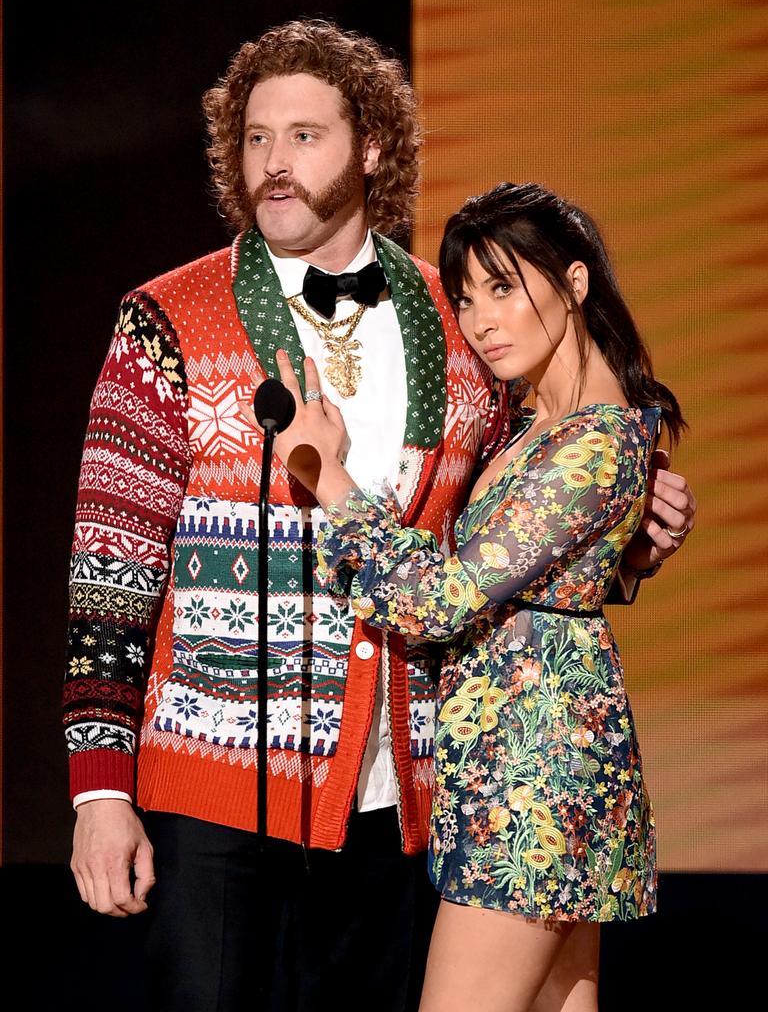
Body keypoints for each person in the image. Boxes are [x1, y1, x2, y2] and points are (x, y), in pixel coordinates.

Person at [64, 18, 695, 1012]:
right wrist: (99, 792)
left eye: (304, 136)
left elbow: (520, 525)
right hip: (216, 788)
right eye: (256, 138)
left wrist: (634, 528)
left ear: (371, 147)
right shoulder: (167, 318)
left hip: (406, 795)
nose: (273, 163)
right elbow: (110, 568)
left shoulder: (465, 323)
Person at [240, 181, 689, 1012]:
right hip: (521, 771)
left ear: (576, 284)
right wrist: (630, 556)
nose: (481, 320)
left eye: (504, 286)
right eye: (465, 296)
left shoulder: (594, 441)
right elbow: (557, 568)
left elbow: (446, 598)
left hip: (534, 780)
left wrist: (325, 475)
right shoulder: (544, 430)